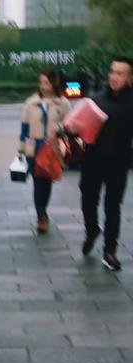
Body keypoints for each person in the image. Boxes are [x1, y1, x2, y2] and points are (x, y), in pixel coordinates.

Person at [80, 57, 133, 271]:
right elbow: (80, 126)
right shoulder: (96, 99)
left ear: (130, 78)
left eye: (120, 73)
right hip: (92, 160)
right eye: (112, 71)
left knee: (113, 206)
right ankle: (92, 230)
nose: (114, 76)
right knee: (88, 201)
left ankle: (109, 251)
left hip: (118, 162)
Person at [18, 69, 71, 234]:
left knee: (47, 182)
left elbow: (69, 124)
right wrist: (21, 149)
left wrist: (60, 128)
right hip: (34, 146)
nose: (43, 86)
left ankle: (43, 211)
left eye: (46, 82)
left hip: (52, 147)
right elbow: (24, 128)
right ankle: (41, 216)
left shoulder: (63, 103)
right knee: (37, 182)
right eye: (40, 82)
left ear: (54, 83)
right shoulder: (31, 102)